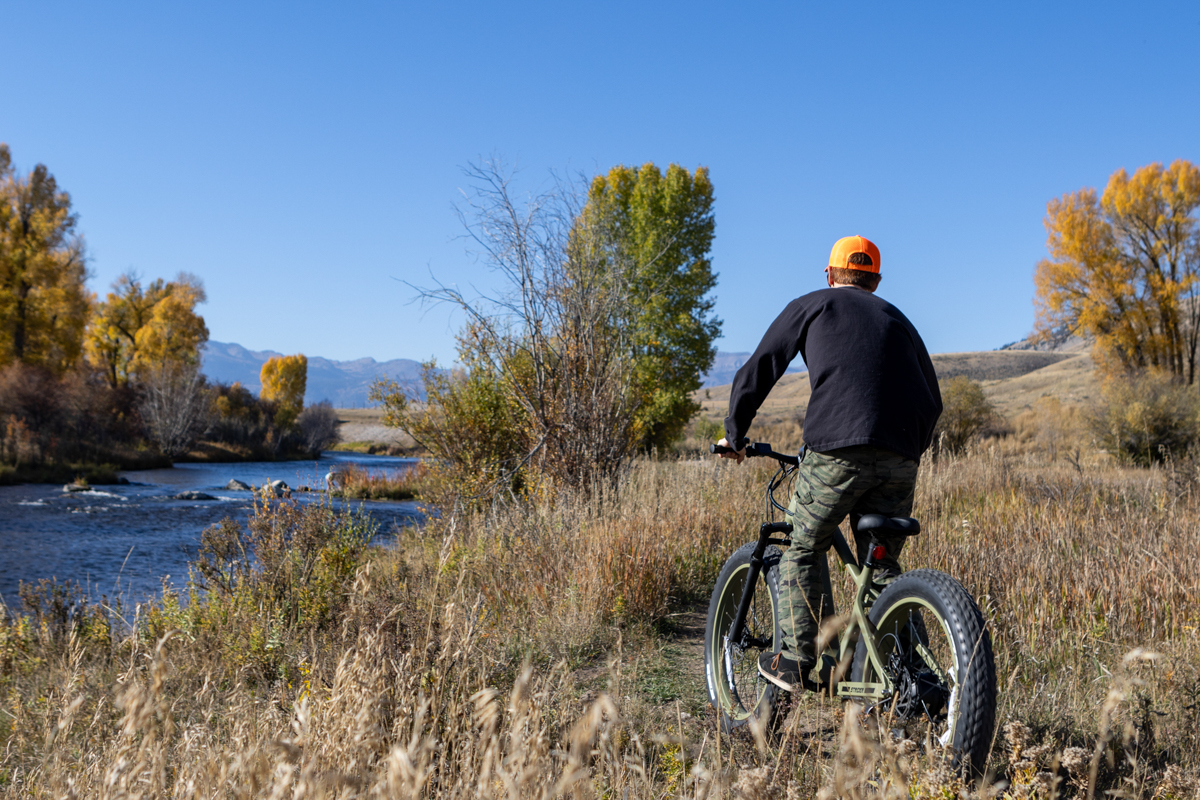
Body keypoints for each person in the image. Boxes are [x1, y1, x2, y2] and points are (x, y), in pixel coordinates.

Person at [716, 235, 942, 693]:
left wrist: (736, 436)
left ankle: (796, 660)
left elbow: (760, 366)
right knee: (880, 568)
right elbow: (933, 400)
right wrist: (905, 450)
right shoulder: (900, 320)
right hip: (902, 456)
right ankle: (906, 676)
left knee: (802, 543)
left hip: (836, 451)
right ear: (875, 280)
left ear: (831, 274)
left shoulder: (814, 304)